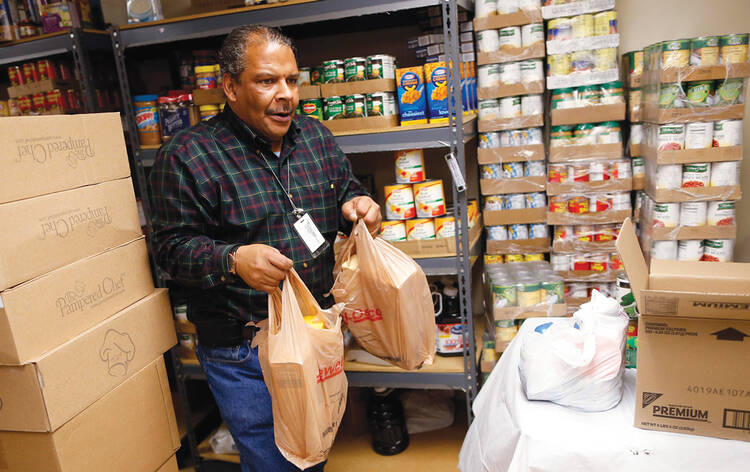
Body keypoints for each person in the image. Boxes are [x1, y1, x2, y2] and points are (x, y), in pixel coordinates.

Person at [148, 25, 381, 472]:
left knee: (314, 450)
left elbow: (346, 191)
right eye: (266, 81)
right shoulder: (188, 156)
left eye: (292, 80)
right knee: (275, 461)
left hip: (314, 332)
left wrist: (359, 207)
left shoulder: (315, 138)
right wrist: (233, 260)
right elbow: (169, 249)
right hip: (244, 350)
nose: (285, 94)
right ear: (230, 86)